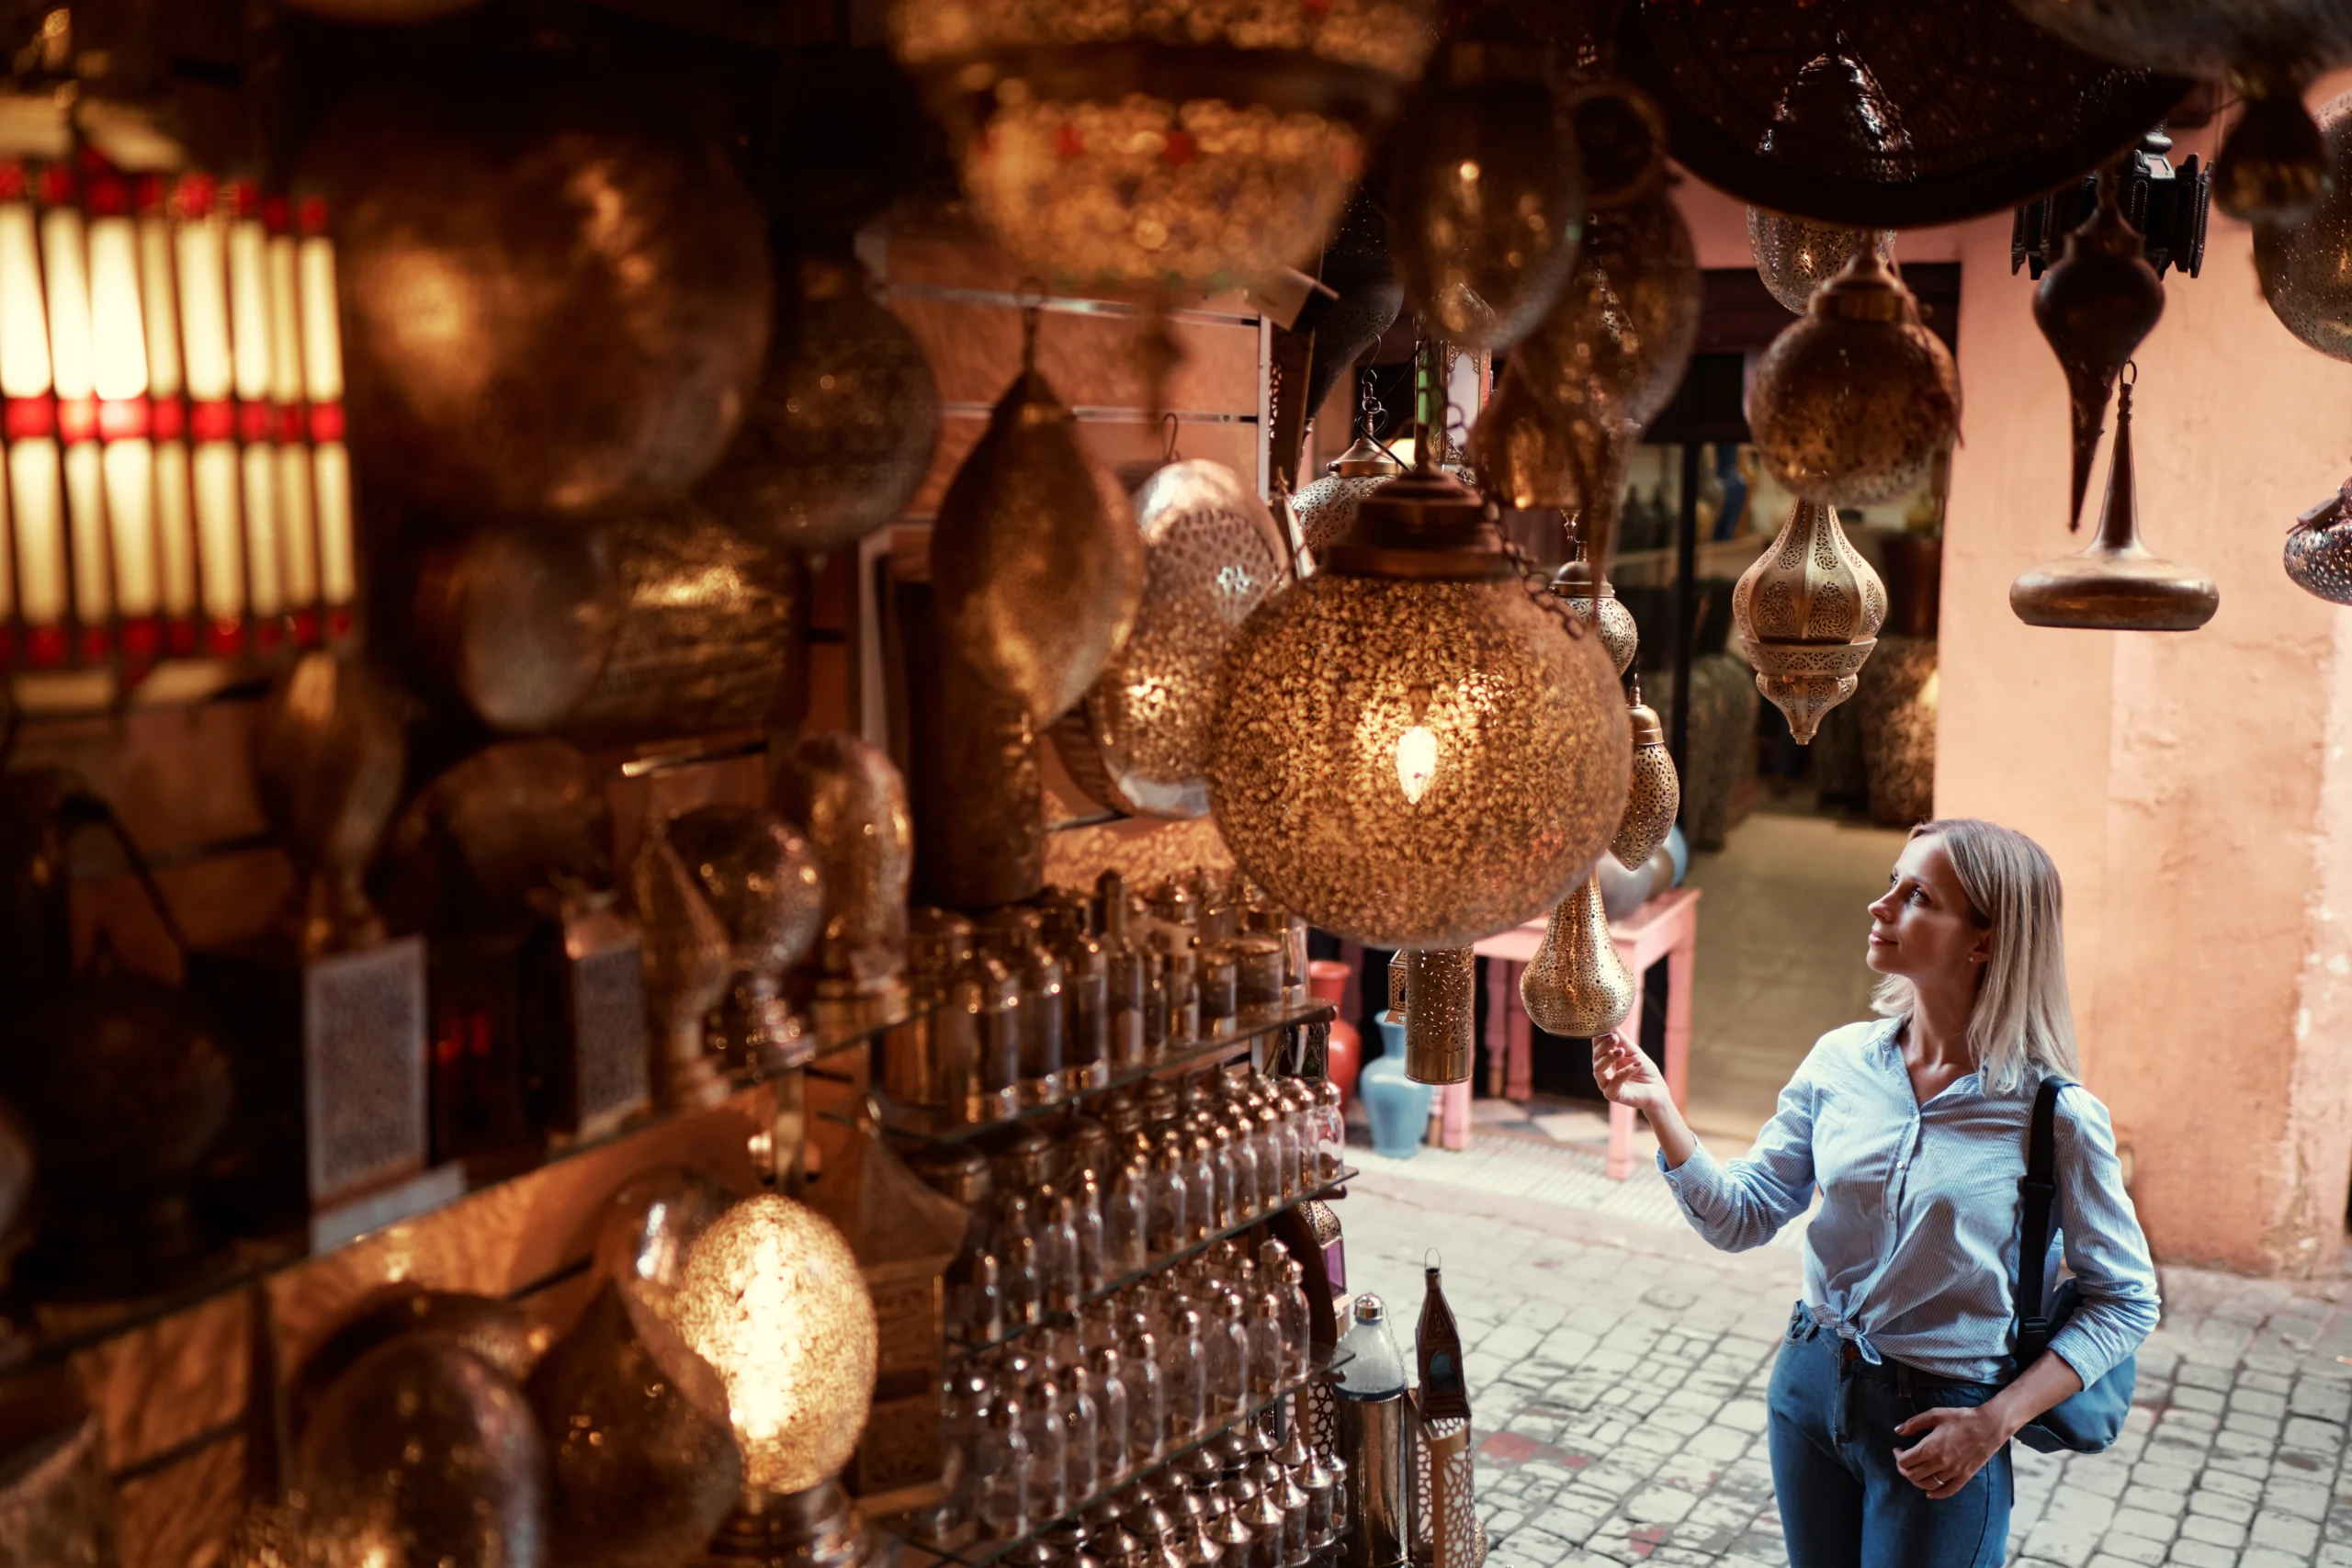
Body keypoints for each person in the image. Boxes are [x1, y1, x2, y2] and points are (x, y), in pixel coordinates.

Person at [1592, 818, 2158, 1568]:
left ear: (1984, 939)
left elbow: (2126, 1298)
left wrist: (1994, 1422)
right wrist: (1660, 1109)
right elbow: (1746, 1216)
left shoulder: (2055, 1116)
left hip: (1946, 1419)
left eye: (1917, 894)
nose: (1880, 904)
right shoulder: (1840, 1061)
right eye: (1893, 881)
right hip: (1809, 1382)